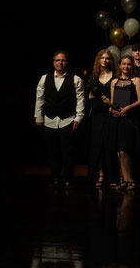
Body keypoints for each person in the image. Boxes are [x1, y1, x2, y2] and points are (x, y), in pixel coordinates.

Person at [34, 51, 85, 188]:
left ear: (67, 62)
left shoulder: (75, 79)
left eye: (63, 60)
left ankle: (68, 178)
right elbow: (40, 99)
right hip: (49, 119)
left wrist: (79, 117)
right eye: (58, 60)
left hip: (67, 119)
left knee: (68, 151)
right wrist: (38, 117)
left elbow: (80, 99)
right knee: (52, 151)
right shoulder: (44, 78)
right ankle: (55, 177)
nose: (60, 63)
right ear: (53, 62)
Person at [108, 55, 140, 190]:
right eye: (124, 64)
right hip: (116, 119)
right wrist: (111, 109)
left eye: (129, 64)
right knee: (119, 151)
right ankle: (124, 180)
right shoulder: (114, 81)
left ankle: (131, 180)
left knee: (125, 150)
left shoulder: (136, 80)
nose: (126, 66)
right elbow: (112, 102)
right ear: (120, 65)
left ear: (132, 66)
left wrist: (127, 108)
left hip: (129, 118)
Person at [86, 49, 116, 187]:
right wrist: (102, 105)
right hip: (97, 115)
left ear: (111, 61)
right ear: (99, 60)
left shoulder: (115, 76)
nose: (104, 60)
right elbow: (91, 98)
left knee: (109, 146)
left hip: (111, 115)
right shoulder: (93, 77)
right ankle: (99, 174)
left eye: (107, 58)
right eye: (102, 58)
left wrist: (111, 106)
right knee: (97, 146)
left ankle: (111, 177)